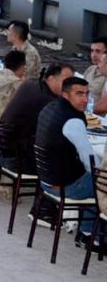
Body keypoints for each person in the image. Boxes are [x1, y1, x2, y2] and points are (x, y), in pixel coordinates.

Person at [35, 77, 99, 247]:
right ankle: (94, 238)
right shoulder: (73, 121)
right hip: (64, 187)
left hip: (45, 181)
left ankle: (86, 232)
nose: (85, 99)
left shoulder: (49, 108)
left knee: (94, 178)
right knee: (101, 182)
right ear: (65, 94)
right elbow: (90, 162)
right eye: (79, 94)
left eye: (87, 94)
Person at [0, 63, 75, 174]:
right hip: (18, 161)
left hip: (5, 153)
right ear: (51, 79)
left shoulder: (30, 84)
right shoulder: (48, 100)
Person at [84, 37, 107, 102]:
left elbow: (103, 105)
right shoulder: (90, 69)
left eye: (98, 51)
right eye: (92, 51)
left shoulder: (105, 75)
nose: (93, 55)